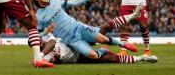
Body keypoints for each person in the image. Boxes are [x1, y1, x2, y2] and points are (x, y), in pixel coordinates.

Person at [33, 0, 144, 60]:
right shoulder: (39, 16)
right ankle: (103, 50)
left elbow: (72, 2)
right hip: (71, 41)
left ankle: (123, 44)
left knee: (103, 39)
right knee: (94, 56)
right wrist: (46, 31)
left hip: (79, 28)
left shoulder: (55, 2)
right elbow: (38, 35)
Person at [30, 30, 158, 64]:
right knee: (111, 60)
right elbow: (53, 62)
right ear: (35, 46)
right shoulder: (43, 58)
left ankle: (119, 43)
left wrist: (40, 56)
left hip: (76, 43)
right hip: (78, 59)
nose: (40, 42)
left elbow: (52, 43)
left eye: (39, 40)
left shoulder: (47, 38)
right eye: (37, 43)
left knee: (99, 33)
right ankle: (142, 58)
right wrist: (56, 59)